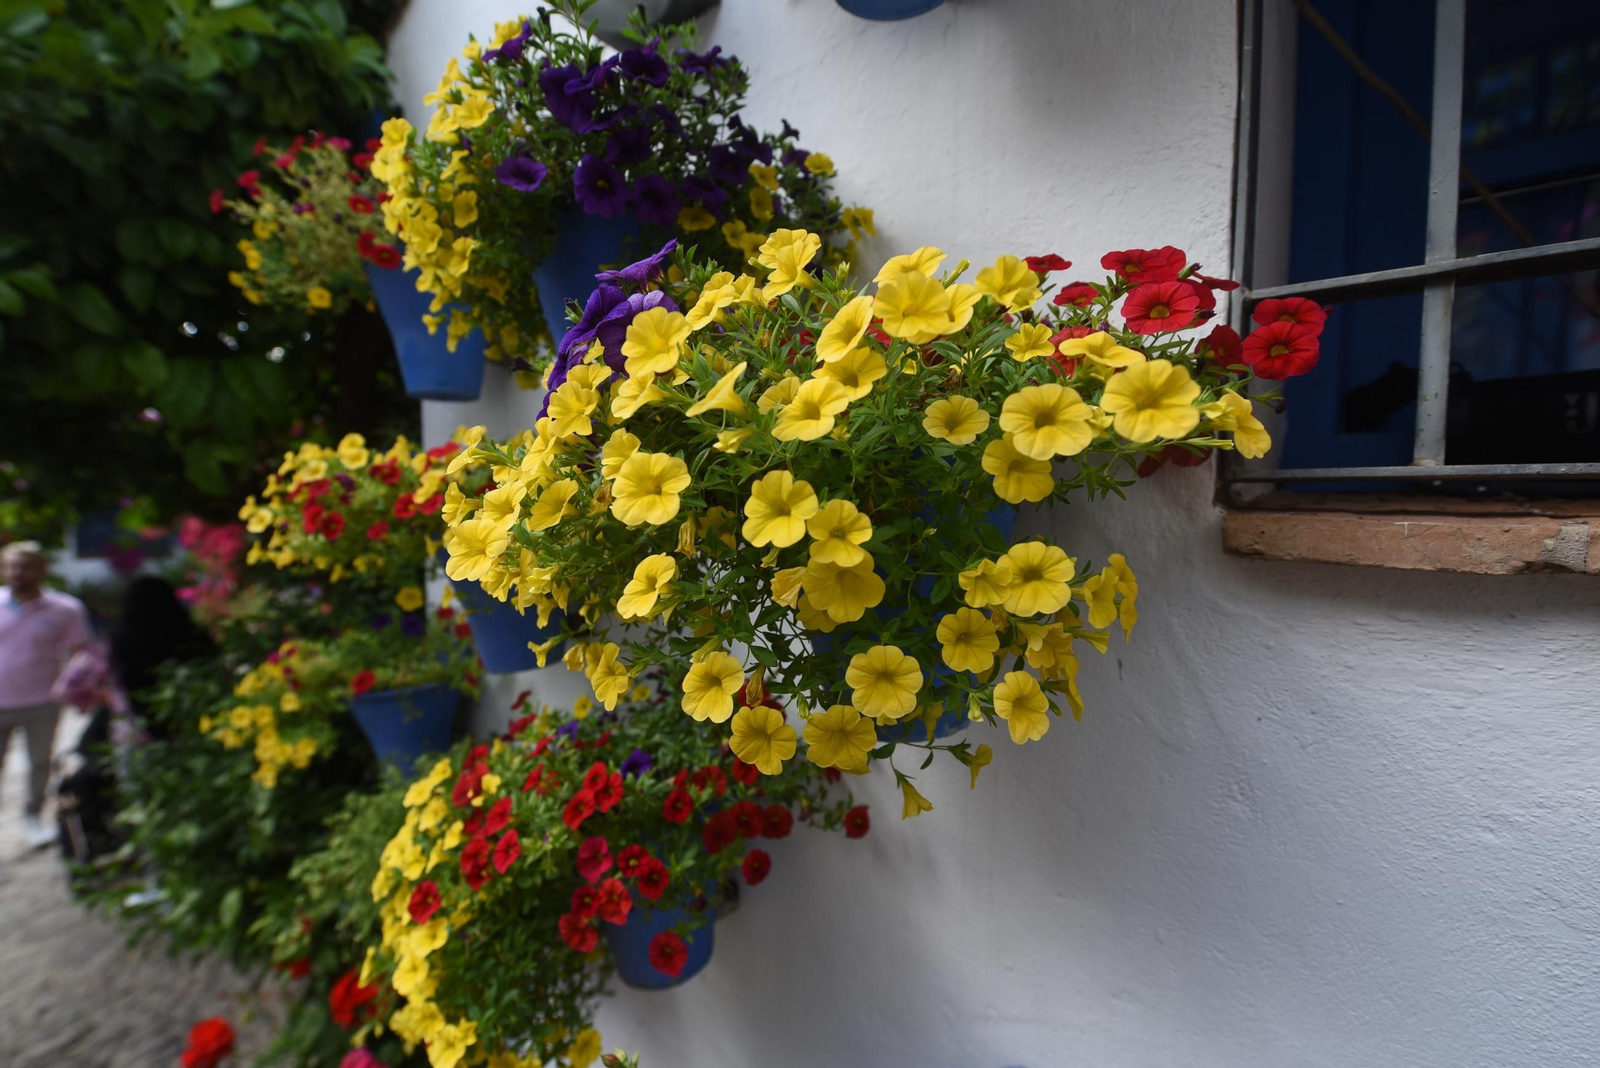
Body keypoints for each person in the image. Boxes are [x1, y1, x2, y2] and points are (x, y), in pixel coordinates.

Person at [0, 541, 91, 849]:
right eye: (11, 566)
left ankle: (32, 817)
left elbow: (83, 655)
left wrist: (76, 691)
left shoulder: (65, 609)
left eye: (24, 566)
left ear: (41, 570)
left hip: (42, 702)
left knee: (39, 763)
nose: (17, 573)